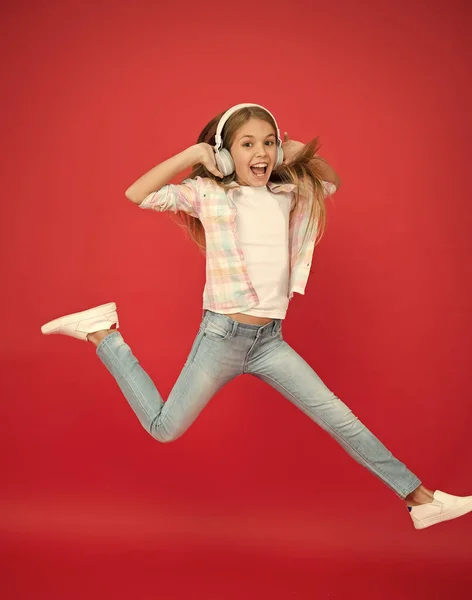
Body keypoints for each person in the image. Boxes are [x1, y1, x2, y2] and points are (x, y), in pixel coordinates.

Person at [41, 103, 472, 530]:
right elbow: (139, 194)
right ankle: (104, 334)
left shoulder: (287, 194)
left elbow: (331, 183)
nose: (260, 152)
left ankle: (420, 500)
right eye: (246, 144)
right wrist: (194, 156)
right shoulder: (209, 195)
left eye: (268, 143)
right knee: (163, 429)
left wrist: (300, 154)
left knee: (341, 418)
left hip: (270, 342)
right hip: (221, 337)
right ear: (226, 155)